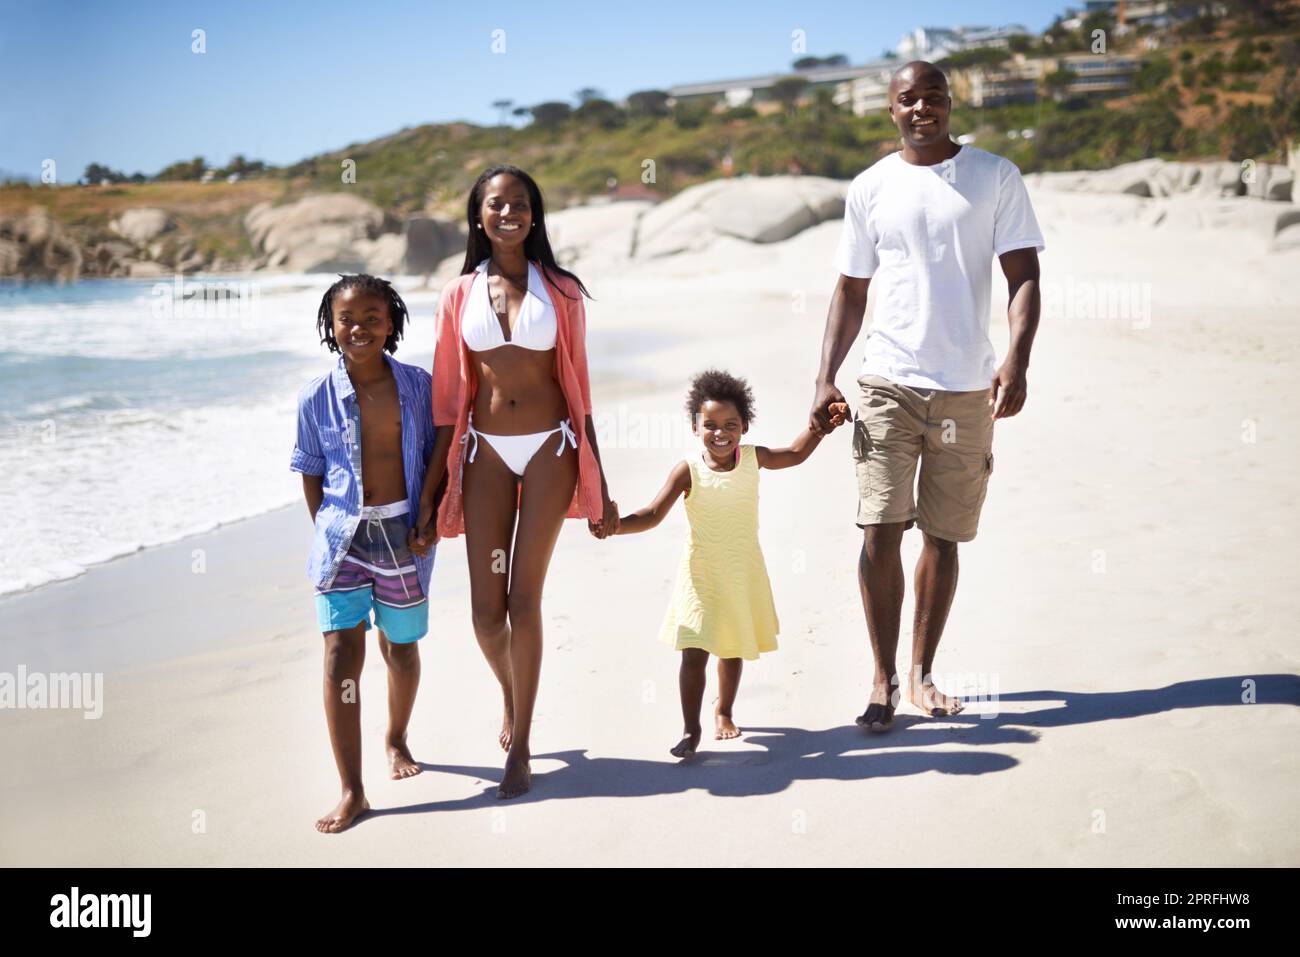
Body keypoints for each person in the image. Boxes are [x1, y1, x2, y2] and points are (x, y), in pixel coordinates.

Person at [809, 60, 1045, 732]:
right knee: (880, 527)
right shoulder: (871, 187)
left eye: (933, 97)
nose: (922, 108)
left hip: (968, 387)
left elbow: (1023, 273)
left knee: (943, 536)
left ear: (949, 103)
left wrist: (1017, 360)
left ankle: (922, 673)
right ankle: (882, 678)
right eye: (908, 99)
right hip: (887, 380)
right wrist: (825, 375)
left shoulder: (995, 175)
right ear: (891, 109)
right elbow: (851, 288)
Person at [417, 165, 619, 799]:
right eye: (496, 205)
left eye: (521, 204)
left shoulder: (560, 290)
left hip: (550, 449)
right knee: (485, 613)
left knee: (522, 601)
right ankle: (511, 691)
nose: (509, 213)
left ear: (536, 215)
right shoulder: (457, 294)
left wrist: (601, 482)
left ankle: (523, 742)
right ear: (479, 217)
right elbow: (448, 400)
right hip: (483, 452)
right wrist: (428, 496)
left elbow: (579, 387)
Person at [616, 369, 846, 758]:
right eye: (710, 425)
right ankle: (691, 729)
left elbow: (794, 454)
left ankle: (724, 710)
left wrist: (821, 428)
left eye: (730, 425)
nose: (720, 433)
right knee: (693, 652)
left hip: (741, 572)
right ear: (695, 426)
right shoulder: (688, 470)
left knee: (732, 646)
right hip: (699, 577)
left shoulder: (754, 459)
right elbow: (653, 514)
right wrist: (614, 526)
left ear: (745, 426)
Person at [290, 274, 440, 833]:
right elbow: (310, 472)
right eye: (347, 319)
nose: (359, 328)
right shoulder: (314, 395)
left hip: (404, 535)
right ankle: (353, 790)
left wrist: (430, 516)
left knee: (401, 649)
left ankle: (396, 737)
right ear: (331, 326)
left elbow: (436, 457)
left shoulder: (418, 387)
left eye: (372, 317)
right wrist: (328, 532)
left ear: (392, 323)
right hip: (341, 541)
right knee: (338, 659)